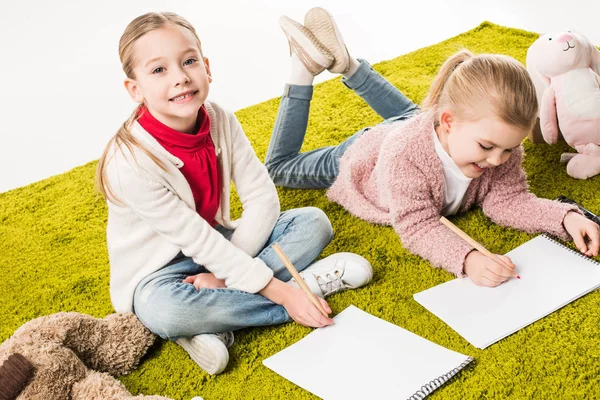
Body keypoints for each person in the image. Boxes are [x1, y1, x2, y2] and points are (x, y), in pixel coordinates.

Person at [95, 11, 373, 375]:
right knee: (165, 311)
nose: (180, 77)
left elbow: (263, 198)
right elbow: (191, 238)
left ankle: (213, 322)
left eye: (189, 61)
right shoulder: (129, 164)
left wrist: (223, 278)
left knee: (312, 223)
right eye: (159, 70)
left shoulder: (221, 118)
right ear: (135, 89)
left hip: (220, 246)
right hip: (160, 274)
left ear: (206, 67)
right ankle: (307, 290)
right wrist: (281, 292)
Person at [267, 7, 600, 288]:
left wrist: (566, 218)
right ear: (450, 122)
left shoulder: (490, 142)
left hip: (421, 129)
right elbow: (417, 225)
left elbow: (510, 200)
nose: (498, 160)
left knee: (414, 116)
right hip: (367, 155)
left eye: (509, 149)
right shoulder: (404, 157)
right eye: (487, 146)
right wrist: (467, 259)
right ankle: (304, 66)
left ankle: (348, 65)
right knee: (279, 168)